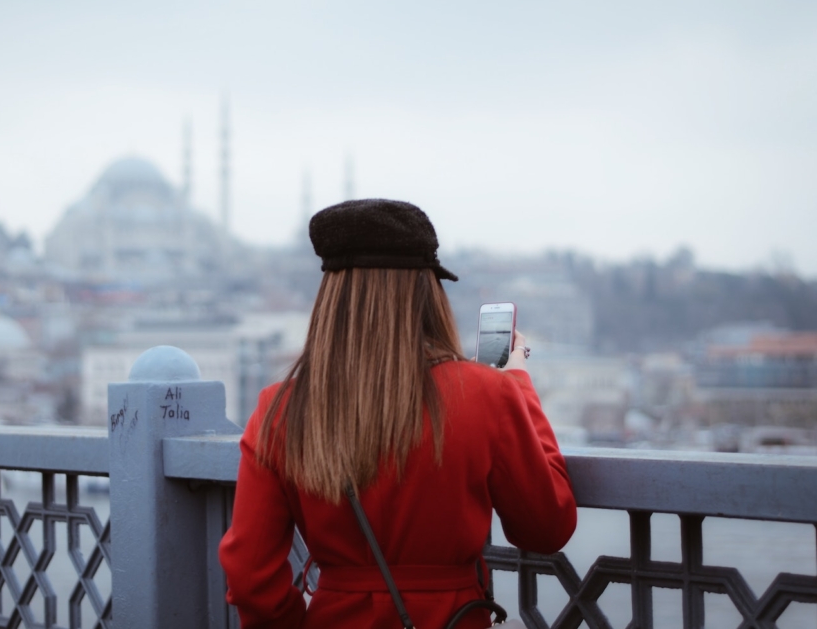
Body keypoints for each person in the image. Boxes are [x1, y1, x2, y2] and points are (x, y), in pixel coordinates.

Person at [219, 199, 577, 628]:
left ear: (331, 299)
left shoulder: (280, 409)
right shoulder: (487, 394)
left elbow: (250, 575)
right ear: (428, 294)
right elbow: (546, 527)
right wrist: (518, 385)